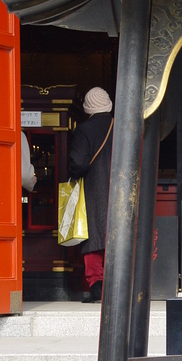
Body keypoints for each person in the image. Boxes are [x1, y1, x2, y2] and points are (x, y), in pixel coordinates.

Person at [68, 87, 114, 303]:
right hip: (119, 190)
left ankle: (96, 285)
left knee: (93, 235)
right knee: (115, 236)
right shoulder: (121, 126)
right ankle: (117, 285)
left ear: (88, 108)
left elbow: (77, 163)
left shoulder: (84, 130)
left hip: (93, 190)